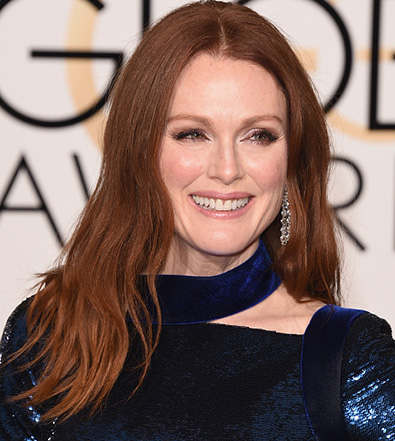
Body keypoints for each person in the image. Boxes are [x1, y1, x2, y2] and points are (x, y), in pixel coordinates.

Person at [0, 1, 394, 440]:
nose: (227, 169)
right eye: (192, 133)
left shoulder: (348, 359)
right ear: (140, 153)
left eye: (258, 135)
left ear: (292, 161)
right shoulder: (45, 340)